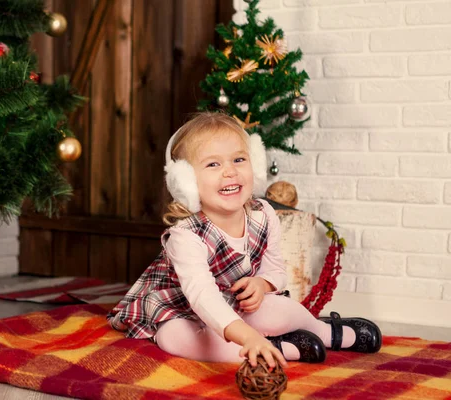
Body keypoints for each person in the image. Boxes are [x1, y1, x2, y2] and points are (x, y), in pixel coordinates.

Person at [107, 112, 381, 369]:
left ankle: (323, 331)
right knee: (174, 338)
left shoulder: (263, 215)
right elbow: (204, 298)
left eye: (239, 160)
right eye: (213, 164)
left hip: (232, 302)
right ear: (186, 182)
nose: (230, 171)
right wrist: (248, 336)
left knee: (281, 308)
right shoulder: (185, 236)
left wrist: (262, 284)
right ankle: (277, 347)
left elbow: (276, 270)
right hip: (181, 308)